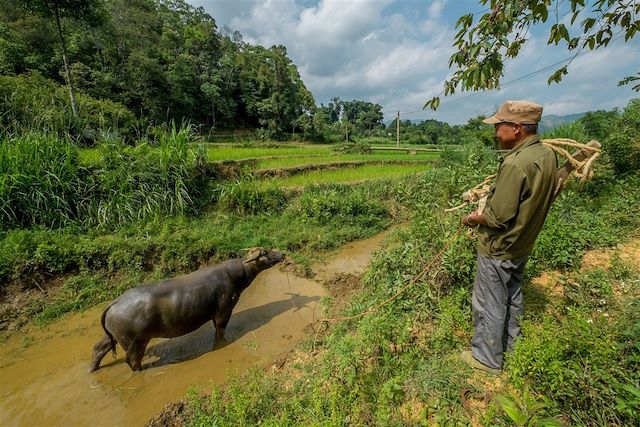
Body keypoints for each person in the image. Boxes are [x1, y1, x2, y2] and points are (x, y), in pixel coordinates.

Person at [460, 100, 558, 375]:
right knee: (512, 294)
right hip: (522, 242)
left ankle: (487, 359)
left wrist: (471, 218)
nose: (495, 133)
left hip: (499, 247)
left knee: (489, 302)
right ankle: (511, 347)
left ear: (516, 128)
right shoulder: (546, 154)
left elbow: (497, 218)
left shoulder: (515, 164)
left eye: (499, 126)